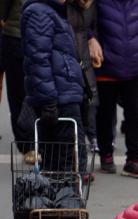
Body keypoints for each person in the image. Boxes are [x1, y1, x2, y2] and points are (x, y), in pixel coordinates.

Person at [21, 0, 87, 173]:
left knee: (67, 163)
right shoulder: (40, 13)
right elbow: (38, 61)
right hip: (58, 98)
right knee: (64, 165)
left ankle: (64, 197)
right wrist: (49, 101)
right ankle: (64, 198)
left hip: (64, 94)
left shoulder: (53, 11)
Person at [95, 0, 138, 178]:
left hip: (134, 66)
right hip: (106, 67)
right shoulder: (98, 3)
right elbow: (87, 25)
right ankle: (106, 155)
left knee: (135, 115)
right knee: (105, 114)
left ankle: (133, 161)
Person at [66, 0, 99, 176]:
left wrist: (92, 39)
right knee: (72, 116)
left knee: (84, 110)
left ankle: (80, 166)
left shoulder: (79, 8)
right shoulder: (61, 8)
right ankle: (75, 166)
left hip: (81, 61)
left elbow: (83, 28)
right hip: (68, 64)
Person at [1, 0, 26, 149]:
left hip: (37, 35)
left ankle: (29, 143)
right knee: (18, 93)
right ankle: (26, 143)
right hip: (16, 37)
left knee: (19, 93)